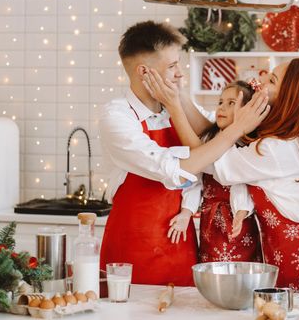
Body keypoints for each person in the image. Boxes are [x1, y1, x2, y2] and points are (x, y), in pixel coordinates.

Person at [147, 58, 299, 291]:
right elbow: (212, 137)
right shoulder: (280, 141)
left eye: (271, 80)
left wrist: (174, 107)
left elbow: (207, 158)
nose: (260, 81)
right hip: (288, 254)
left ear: (290, 98)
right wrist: (178, 95)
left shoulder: (276, 149)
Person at [99, 20, 269, 286]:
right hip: (133, 249)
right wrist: (236, 130)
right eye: (172, 66)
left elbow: (210, 135)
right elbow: (174, 169)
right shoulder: (117, 116)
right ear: (144, 72)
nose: (180, 73)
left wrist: (179, 99)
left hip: (182, 243)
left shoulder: (172, 108)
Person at [165, 80, 262, 263]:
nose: (222, 108)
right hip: (209, 220)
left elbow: (241, 184)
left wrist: (242, 212)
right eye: (220, 102)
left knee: (241, 270)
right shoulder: (210, 140)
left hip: (238, 220)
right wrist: (186, 212)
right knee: (211, 268)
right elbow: (195, 178)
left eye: (231, 103)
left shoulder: (246, 148)